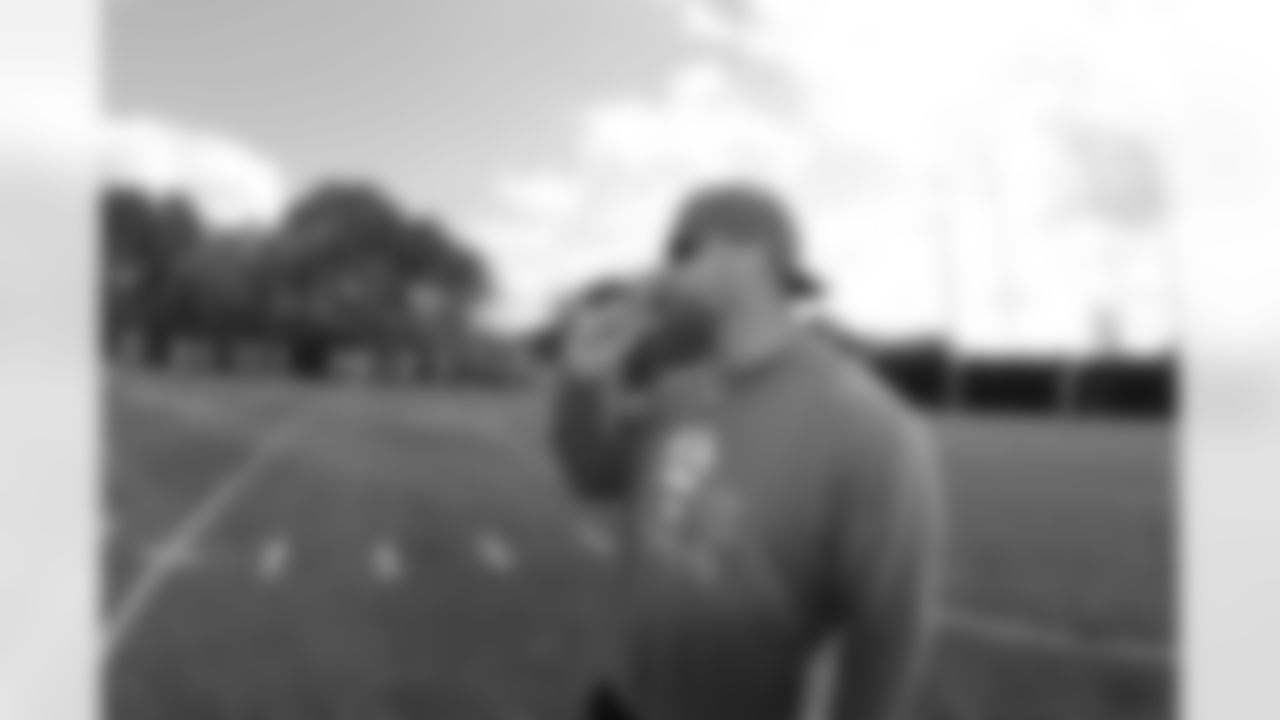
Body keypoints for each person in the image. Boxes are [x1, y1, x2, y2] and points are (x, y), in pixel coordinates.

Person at [550, 180, 948, 720]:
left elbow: (890, 629)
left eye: (682, 250)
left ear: (748, 255)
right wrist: (584, 379)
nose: (666, 272)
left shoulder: (870, 426)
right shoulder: (677, 390)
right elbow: (592, 475)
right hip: (620, 705)